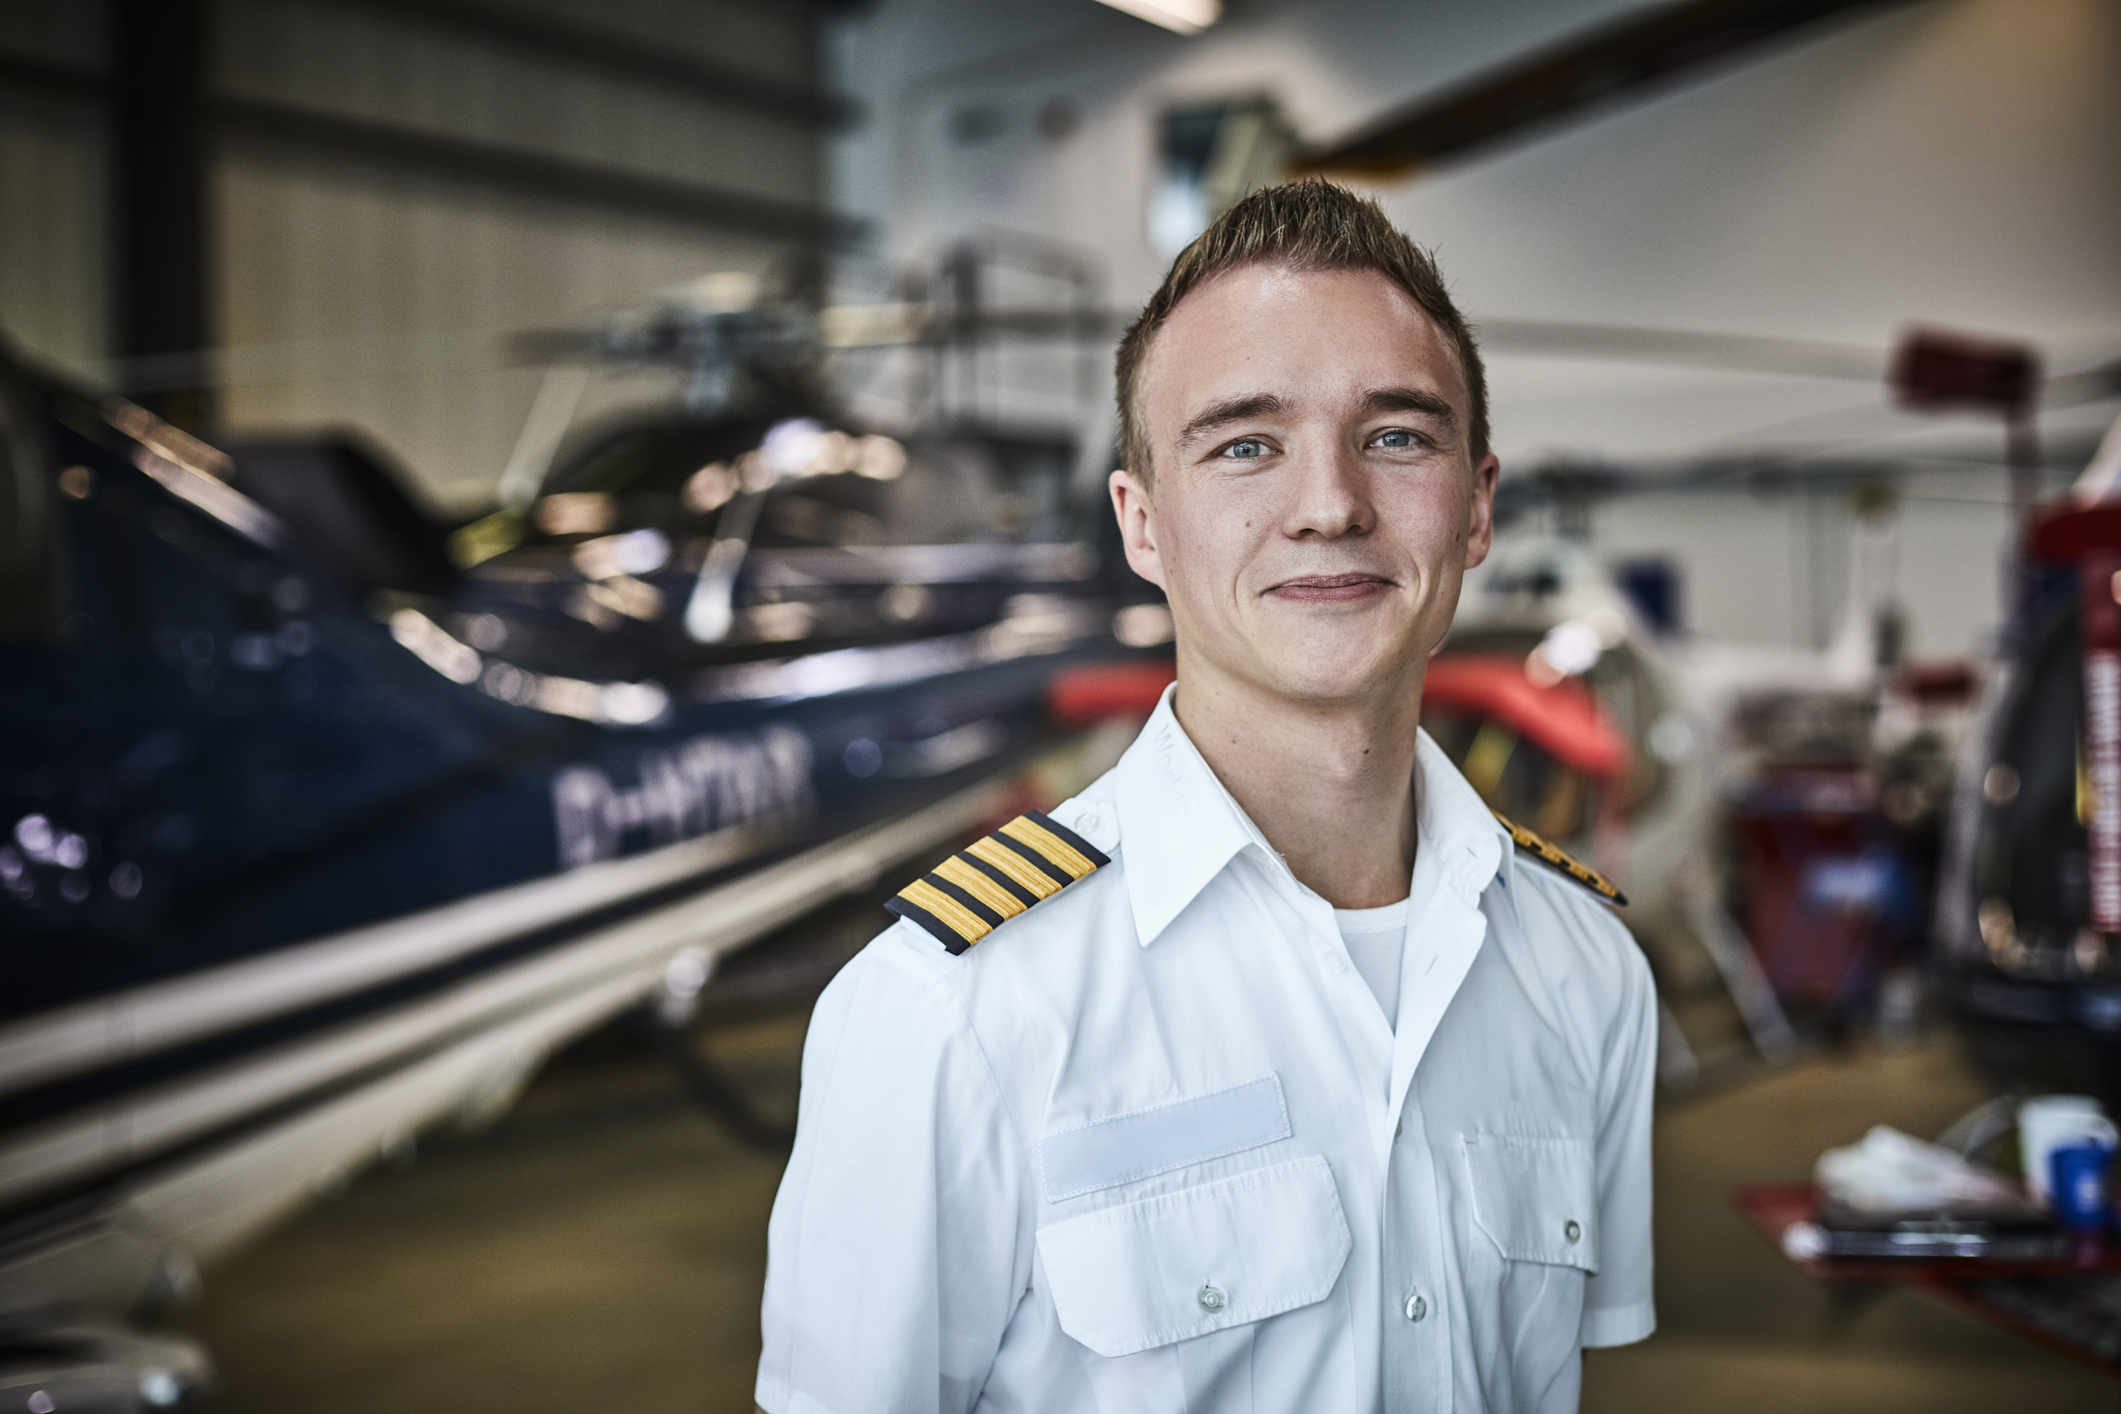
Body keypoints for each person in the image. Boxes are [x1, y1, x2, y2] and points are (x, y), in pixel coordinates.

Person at [756, 180, 1657, 1413]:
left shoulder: (1587, 965)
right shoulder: (950, 1009)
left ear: (1479, 506)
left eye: (1396, 435)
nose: (1329, 504)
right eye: (1244, 444)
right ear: (1142, 524)